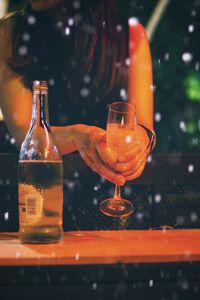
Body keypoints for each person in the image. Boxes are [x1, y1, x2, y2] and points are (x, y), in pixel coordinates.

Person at [0, 0, 155, 187]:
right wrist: (80, 136)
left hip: (107, 188)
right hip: (33, 187)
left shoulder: (132, 34)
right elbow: (24, 133)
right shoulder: (10, 33)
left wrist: (140, 143)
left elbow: (144, 127)